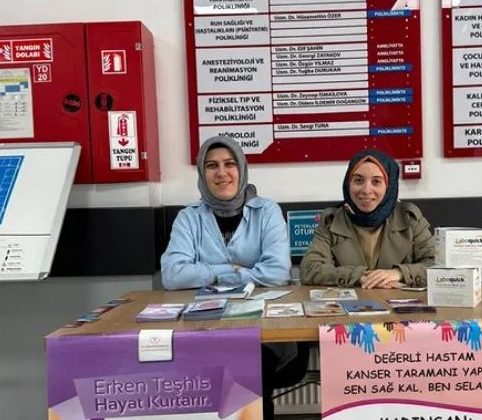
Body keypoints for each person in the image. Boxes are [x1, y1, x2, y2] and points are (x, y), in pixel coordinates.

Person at [160, 135, 307, 420]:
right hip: (205, 330)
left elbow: (277, 272)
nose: (221, 173)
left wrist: (205, 273)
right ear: (202, 173)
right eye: (211, 165)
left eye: (230, 164)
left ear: (242, 169)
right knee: (215, 367)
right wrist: (232, 271)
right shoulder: (189, 218)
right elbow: (173, 275)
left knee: (249, 366)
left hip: (266, 333)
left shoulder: (267, 211)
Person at [300, 149, 434, 288]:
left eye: (376, 182)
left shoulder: (409, 218)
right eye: (358, 180)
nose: (366, 190)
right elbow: (309, 269)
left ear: (389, 186)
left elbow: (437, 265)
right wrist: (358, 277)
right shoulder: (332, 220)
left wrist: (399, 273)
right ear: (348, 183)